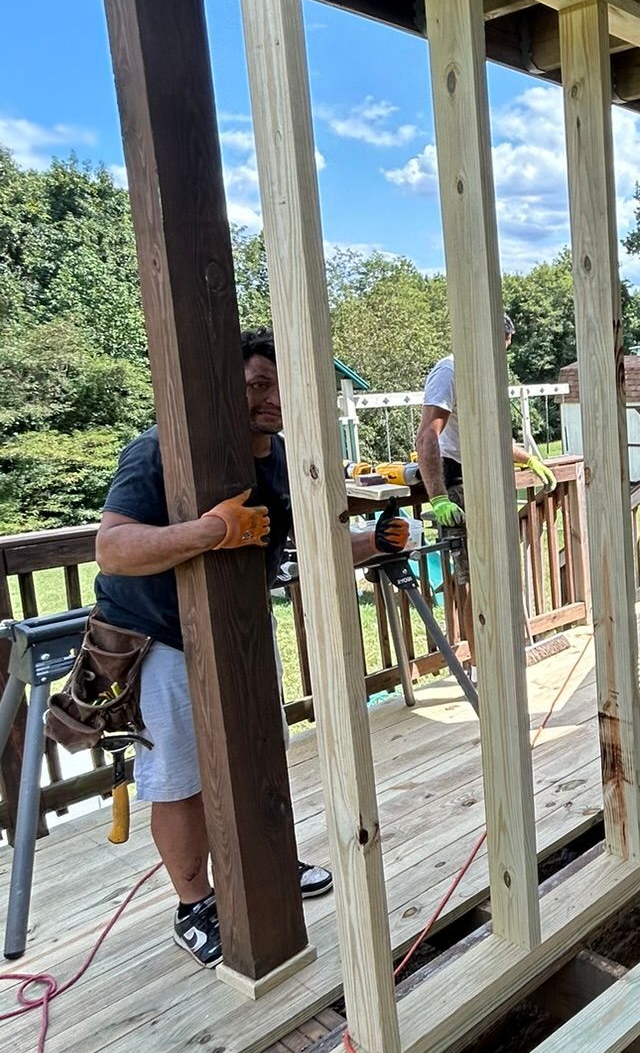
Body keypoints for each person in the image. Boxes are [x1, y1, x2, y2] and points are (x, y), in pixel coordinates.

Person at [93, 330, 412, 967]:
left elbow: (309, 544)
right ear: (221, 392)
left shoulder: (278, 458)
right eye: (256, 387)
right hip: (159, 641)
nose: (272, 399)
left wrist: (376, 540)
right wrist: (211, 530)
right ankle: (195, 905)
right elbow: (112, 549)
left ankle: (262, 866)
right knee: (181, 779)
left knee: (259, 754)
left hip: (239, 636)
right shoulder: (157, 453)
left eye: (279, 386)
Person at [416, 310, 555, 530]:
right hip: (455, 474)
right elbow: (426, 437)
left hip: (483, 471)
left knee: (498, 549)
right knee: (470, 556)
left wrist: (528, 459)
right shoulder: (449, 371)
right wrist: (439, 499)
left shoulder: (485, 375)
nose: (498, 357)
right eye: (496, 349)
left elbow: (493, 438)